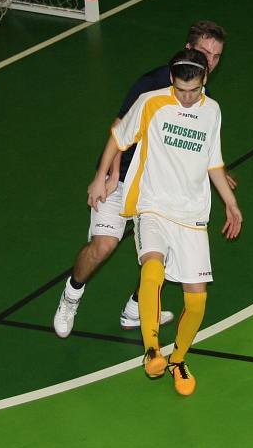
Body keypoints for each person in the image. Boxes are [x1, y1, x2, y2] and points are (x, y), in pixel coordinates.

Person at [54, 21, 235, 338]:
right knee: (104, 245)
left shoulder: (199, 95)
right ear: (188, 49)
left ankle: (135, 309)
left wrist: (215, 168)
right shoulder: (153, 85)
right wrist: (105, 176)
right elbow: (118, 128)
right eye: (205, 52)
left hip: (156, 187)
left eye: (217, 56)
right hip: (121, 175)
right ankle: (72, 293)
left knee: (160, 249)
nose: (211, 60)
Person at [87, 47, 242, 394]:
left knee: (197, 300)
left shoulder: (212, 110)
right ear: (172, 79)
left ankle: (178, 360)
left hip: (192, 215)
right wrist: (102, 174)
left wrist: (230, 203)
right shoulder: (151, 102)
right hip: (152, 205)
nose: (188, 99)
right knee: (152, 269)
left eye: (195, 90)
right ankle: (152, 350)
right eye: (182, 90)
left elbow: (213, 161)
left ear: (205, 81)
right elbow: (118, 136)